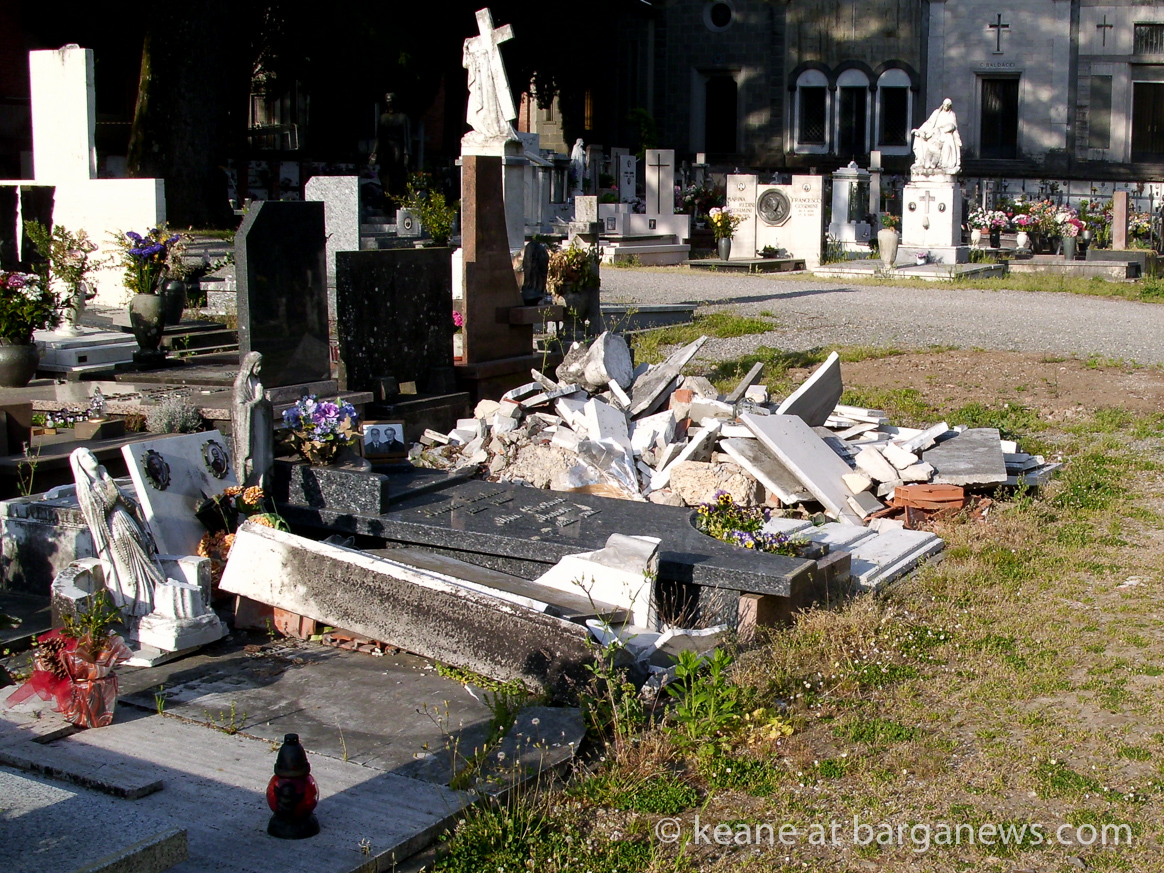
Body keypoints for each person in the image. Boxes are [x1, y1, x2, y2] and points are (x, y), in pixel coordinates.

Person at [70, 448, 165, 618]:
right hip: (114, 532)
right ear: (79, 465)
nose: (91, 457)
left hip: (131, 528)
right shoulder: (86, 488)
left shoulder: (108, 479)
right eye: (84, 456)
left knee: (144, 566)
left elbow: (130, 505)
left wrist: (124, 500)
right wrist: (113, 496)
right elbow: (97, 514)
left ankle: (155, 602)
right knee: (129, 570)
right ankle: (137, 610)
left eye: (91, 453)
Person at [369, 92, 411, 200]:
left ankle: (399, 195)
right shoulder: (383, 117)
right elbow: (379, 136)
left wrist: (406, 153)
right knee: (385, 174)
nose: (389, 103)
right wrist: (374, 152)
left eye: (391, 100)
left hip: (397, 146)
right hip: (385, 147)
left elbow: (406, 136)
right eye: (387, 101)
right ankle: (387, 196)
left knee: (397, 172)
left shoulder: (402, 117)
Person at [911, 98, 962, 175]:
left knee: (949, 141)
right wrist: (919, 131)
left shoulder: (952, 114)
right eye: (945, 105)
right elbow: (929, 123)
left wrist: (945, 130)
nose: (946, 107)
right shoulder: (936, 113)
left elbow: (953, 126)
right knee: (922, 140)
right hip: (933, 134)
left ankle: (943, 163)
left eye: (948, 105)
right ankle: (925, 163)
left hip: (944, 136)